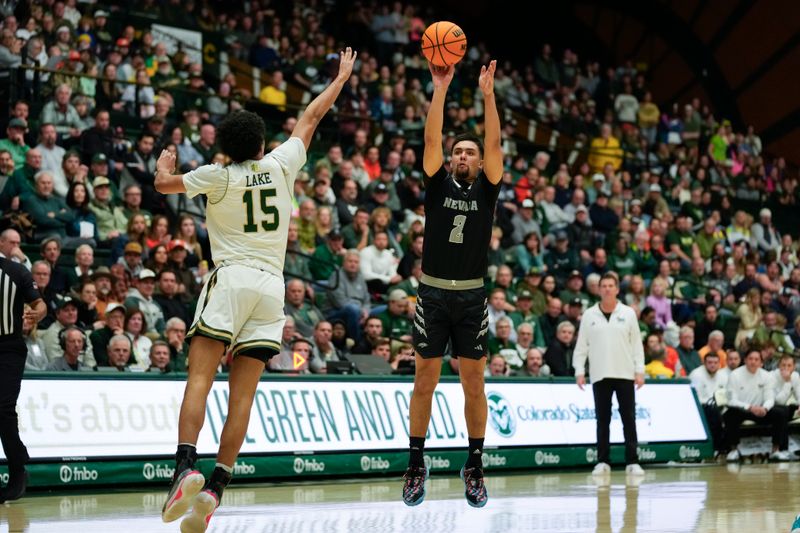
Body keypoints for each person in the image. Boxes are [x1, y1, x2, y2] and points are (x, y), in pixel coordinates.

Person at [153, 47, 356, 531]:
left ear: (226, 146)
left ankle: (185, 468)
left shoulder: (215, 175)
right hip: (271, 288)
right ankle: (218, 487)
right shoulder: (283, 164)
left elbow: (163, 186)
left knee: (200, 378)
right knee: (243, 396)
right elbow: (310, 115)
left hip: (231, 279)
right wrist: (341, 77)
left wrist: (163, 164)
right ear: (263, 144)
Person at [404, 58, 502, 509]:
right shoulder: (436, 185)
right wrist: (439, 89)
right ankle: (416, 462)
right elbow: (429, 138)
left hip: (472, 298)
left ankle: (475, 465)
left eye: (469, 152)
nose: (462, 155)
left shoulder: (487, 189)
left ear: (481, 163)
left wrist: (487, 95)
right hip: (433, 293)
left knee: (473, 384)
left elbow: (496, 142)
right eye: (457, 151)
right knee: (425, 380)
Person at [573, 272, 646, 476]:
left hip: (625, 373)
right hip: (599, 374)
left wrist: (639, 370)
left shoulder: (629, 313)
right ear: (599, 289)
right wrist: (579, 370)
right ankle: (603, 460)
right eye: (603, 285)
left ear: (617, 289)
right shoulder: (589, 315)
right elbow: (581, 346)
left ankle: (632, 461)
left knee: (628, 418)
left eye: (610, 285)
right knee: (602, 419)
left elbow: (637, 345)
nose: (606, 288)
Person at [0, 254, 47, 502]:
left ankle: (18, 469)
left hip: (8, 347)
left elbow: (40, 304)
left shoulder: (15, 271)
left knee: (4, 409)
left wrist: (36, 314)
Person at [724, 349, 789, 462]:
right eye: (750, 359)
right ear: (745, 360)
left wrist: (765, 408)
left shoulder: (766, 376)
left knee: (781, 413)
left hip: (760, 410)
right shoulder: (735, 375)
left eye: (756, 359)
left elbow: (770, 398)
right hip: (743, 409)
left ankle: (776, 450)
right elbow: (731, 401)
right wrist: (749, 407)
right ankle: (733, 450)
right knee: (730, 414)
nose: (753, 362)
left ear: (761, 363)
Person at [688, 352, 727, 455]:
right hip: (701, 407)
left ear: (719, 363)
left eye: (715, 362)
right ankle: (717, 447)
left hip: (720, 406)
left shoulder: (723, 376)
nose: (713, 365)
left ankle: (727, 448)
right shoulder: (696, 375)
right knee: (712, 411)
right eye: (710, 362)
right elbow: (694, 397)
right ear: (704, 363)